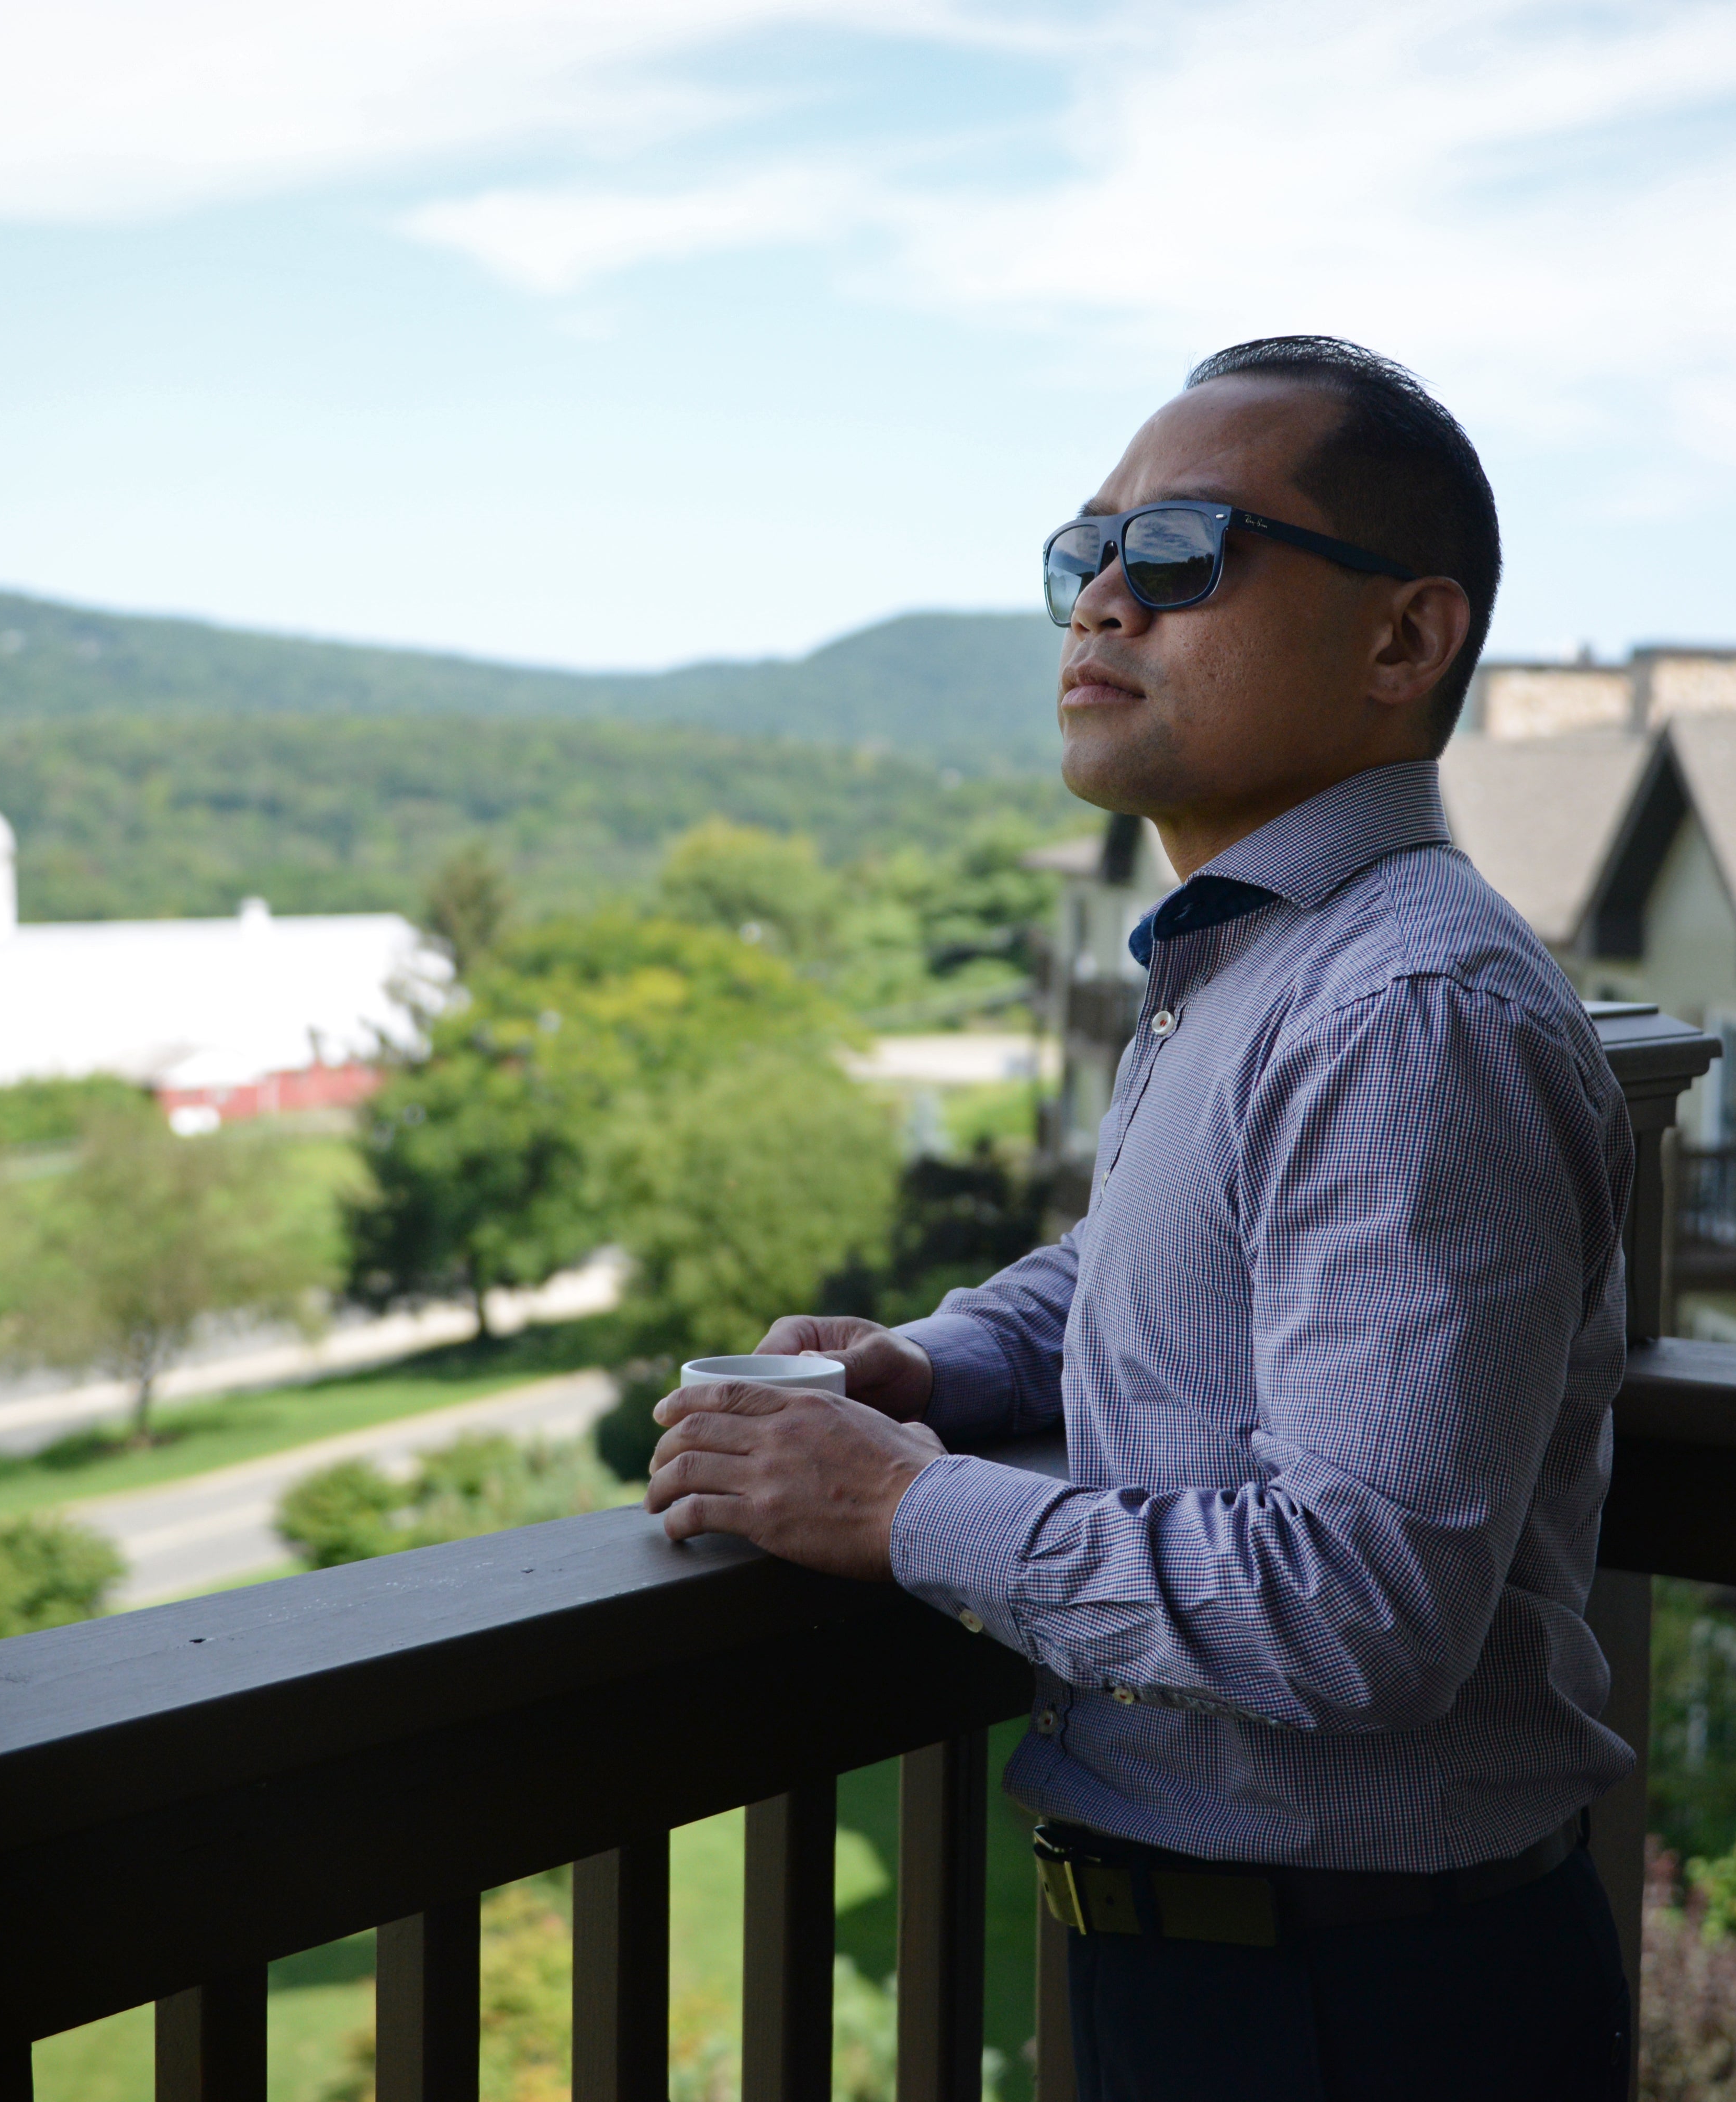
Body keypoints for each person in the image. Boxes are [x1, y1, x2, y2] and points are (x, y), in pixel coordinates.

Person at [643, 336, 1636, 2099]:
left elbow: (1363, 1604)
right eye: (1083, 555)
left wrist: (901, 1508)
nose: (1102, 601)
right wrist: (932, 1366)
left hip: (1361, 2010)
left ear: (1404, 640)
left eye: (1181, 552)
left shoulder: (1405, 1011)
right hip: (1251, 1975)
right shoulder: (1265, 959)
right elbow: (1161, 1262)